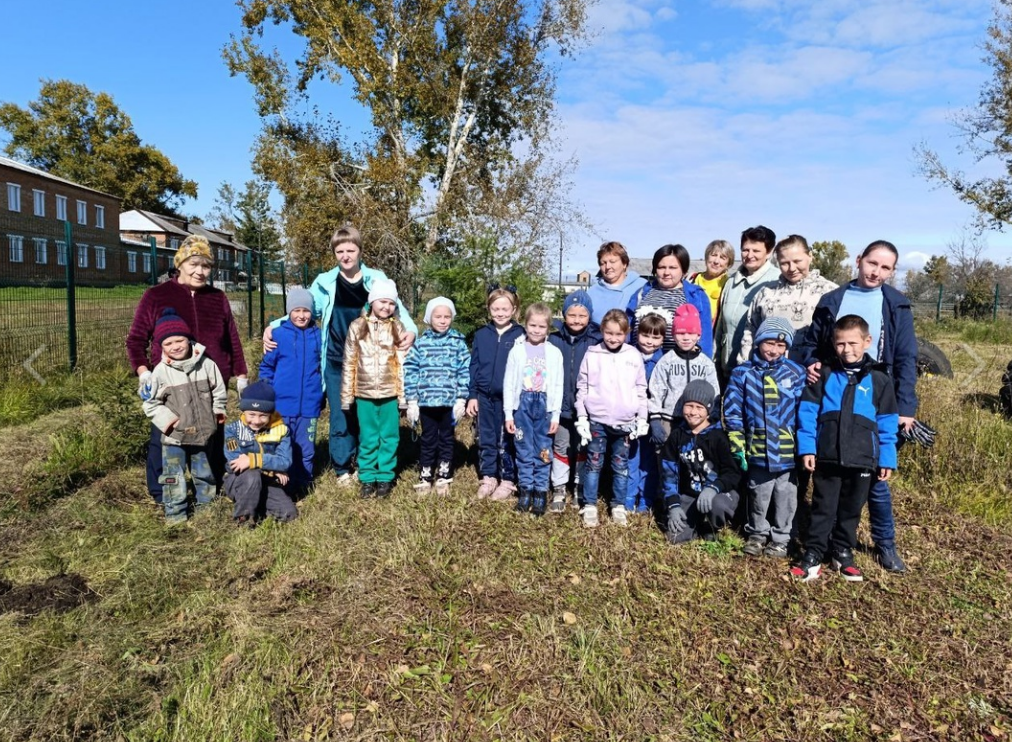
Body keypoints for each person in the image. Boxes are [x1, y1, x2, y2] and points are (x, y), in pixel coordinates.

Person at [794, 240, 916, 573]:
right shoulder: (833, 299)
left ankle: (885, 544)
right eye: (872, 263)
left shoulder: (896, 305)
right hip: (834, 391)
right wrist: (811, 363)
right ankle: (809, 539)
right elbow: (813, 343)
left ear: (892, 272)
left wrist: (905, 406)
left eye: (885, 267)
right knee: (829, 473)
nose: (876, 271)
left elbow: (906, 358)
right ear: (859, 261)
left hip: (875, 394)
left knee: (875, 478)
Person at [262, 225, 417, 486]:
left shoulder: (376, 279)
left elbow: (398, 310)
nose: (345, 256)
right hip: (337, 360)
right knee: (342, 414)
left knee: (367, 413)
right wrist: (274, 325)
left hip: (373, 362)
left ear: (359, 251)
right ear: (334, 253)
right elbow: (304, 309)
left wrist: (411, 331)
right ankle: (343, 467)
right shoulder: (325, 282)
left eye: (351, 250)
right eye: (340, 251)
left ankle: (368, 462)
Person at [127, 234, 247, 504]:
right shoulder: (156, 296)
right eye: (194, 264)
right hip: (171, 384)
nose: (200, 271)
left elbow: (232, 340)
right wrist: (144, 371)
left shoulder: (217, 298)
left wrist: (241, 375)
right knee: (166, 436)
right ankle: (163, 493)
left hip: (210, 383)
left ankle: (211, 488)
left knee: (210, 437)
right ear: (179, 264)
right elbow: (136, 340)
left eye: (206, 266)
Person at [790, 315, 898, 582]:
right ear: (833, 344)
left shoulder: (880, 379)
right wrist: (807, 449)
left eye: (853, 343)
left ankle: (843, 552)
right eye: (840, 344)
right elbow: (807, 413)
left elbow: (887, 423)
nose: (846, 350)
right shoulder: (823, 374)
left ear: (867, 341)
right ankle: (813, 554)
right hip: (827, 456)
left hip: (862, 460)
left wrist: (886, 458)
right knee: (823, 507)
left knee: (851, 509)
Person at [723, 317, 806, 559]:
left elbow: (805, 411)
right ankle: (757, 533)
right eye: (769, 343)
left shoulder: (796, 372)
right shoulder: (743, 373)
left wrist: (805, 446)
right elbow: (733, 410)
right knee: (758, 493)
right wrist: (737, 443)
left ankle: (781, 537)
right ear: (758, 342)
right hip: (757, 448)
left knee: (785, 495)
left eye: (781, 346)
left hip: (787, 451)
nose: (774, 350)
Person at [142, 308, 228, 525]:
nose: (175, 347)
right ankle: (175, 514)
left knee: (204, 473)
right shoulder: (160, 372)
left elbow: (219, 391)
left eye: (179, 340)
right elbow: (150, 404)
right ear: (161, 347)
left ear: (189, 339)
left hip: (202, 435)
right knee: (173, 477)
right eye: (168, 344)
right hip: (174, 439)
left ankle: (206, 510)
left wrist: (218, 413)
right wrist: (170, 423)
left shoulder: (207, 365)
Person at [575, 309, 648, 527]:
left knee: (620, 465)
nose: (613, 338)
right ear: (602, 332)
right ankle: (589, 504)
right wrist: (581, 416)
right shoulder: (593, 354)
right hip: (597, 420)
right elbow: (582, 387)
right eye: (609, 333)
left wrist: (642, 417)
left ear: (626, 334)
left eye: (618, 334)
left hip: (625, 423)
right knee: (594, 463)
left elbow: (640, 389)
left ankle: (617, 504)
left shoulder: (633, 356)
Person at [341, 277, 407, 498]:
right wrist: (346, 396)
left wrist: (403, 396)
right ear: (372, 302)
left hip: (389, 392)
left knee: (389, 436)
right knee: (368, 436)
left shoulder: (397, 327)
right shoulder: (358, 326)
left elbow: (402, 362)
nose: (386, 307)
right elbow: (349, 362)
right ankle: (368, 477)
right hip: (364, 393)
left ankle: (385, 477)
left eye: (391, 303)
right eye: (382, 302)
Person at [258, 288, 323, 493]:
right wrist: (267, 392)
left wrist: (322, 395)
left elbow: (323, 367)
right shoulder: (278, 335)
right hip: (282, 405)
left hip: (309, 404)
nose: (301, 315)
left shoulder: (319, 336)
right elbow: (267, 367)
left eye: (306, 311)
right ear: (289, 311)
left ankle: (303, 483)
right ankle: (279, 484)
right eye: (296, 310)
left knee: (306, 447)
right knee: (281, 444)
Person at [660, 379, 740, 544]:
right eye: (689, 406)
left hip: (718, 493)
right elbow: (668, 473)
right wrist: (673, 504)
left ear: (709, 410)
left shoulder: (719, 437)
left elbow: (732, 473)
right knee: (674, 537)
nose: (693, 412)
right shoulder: (677, 436)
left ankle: (711, 527)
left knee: (718, 505)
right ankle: (693, 525)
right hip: (690, 494)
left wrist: (714, 488)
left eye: (699, 407)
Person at [404, 297, 470, 494]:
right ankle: (425, 474)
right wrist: (412, 400)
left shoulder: (458, 343)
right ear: (429, 318)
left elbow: (465, 370)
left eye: (447, 316)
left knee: (447, 438)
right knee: (428, 438)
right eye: (438, 316)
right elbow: (410, 370)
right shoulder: (421, 344)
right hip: (426, 403)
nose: (442, 320)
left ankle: (444, 474)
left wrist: (461, 398)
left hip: (449, 403)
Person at [737, 234, 837, 363]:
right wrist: (745, 365)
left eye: (797, 261)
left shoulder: (829, 291)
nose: (791, 268)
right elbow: (750, 330)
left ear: (810, 256)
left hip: (811, 372)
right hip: (767, 372)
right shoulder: (766, 292)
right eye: (784, 263)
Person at [504, 303, 564, 516]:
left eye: (541, 326)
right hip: (522, 405)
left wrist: (555, 414)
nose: (536, 330)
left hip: (545, 406)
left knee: (543, 449)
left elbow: (558, 385)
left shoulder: (555, 353)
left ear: (548, 328)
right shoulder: (517, 351)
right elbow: (509, 383)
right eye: (532, 325)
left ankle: (540, 491)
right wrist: (509, 413)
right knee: (523, 449)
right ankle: (525, 490)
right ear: (525, 325)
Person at [467, 286, 526, 501]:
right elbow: (474, 366)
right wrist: (472, 394)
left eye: (504, 308)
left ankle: (508, 479)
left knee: (507, 438)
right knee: (486, 437)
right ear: (489, 309)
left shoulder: (521, 335)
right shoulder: (482, 335)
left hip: (510, 399)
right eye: (495, 309)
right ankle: (489, 476)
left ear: (513, 309)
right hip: (484, 397)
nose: (500, 313)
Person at [547, 290, 602, 513]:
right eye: (572, 315)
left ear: (589, 316)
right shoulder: (553, 339)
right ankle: (559, 487)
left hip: (585, 408)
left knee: (583, 447)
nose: (577, 320)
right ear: (564, 314)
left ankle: (579, 487)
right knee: (560, 446)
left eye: (582, 315)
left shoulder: (596, 340)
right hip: (559, 406)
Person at [223, 381, 299, 525]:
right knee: (252, 475)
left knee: (289, 514)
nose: (257, 421)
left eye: (263, 415)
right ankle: (244, 519)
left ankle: (258, 505)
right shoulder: (232, 430)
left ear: (271, 413)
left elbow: (285, 461)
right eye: (251, 414)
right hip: (239, 480)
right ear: (243, 411)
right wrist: (273, 468)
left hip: (267, 481)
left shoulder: (282, 430)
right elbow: (235, 462)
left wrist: (254, 461)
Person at [714, 225, 780, 382]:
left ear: (769, 252)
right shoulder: (731, 282)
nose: (749, 255)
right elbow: (720, 327)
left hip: (759, 373)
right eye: (745, 250)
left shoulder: (776, 281)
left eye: (756, 251)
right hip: (727, 368)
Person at [647, 304, 719, 439]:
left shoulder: (706, 363)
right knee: (666, 455)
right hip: (669, 419)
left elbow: (714, 390)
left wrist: (713, 415)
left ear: (698, 335)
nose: (686, 338)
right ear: (673, 335)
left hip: (698, 420)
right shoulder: (666, 361)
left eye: (691, 333)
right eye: (680, 333)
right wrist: (655, 419)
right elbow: (656, 390)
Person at [626, 244, 713, 355]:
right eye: (661, 267)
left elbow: (705, 339)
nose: (666, 272)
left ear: (683, 270)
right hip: (640, 365)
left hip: (675, 367)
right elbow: (627, 329)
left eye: (673, 268)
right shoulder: (641, 293)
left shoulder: (696, 296)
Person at [625, 310, 667, 515]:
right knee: (630, 457)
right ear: (637, 334)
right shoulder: (628, 356)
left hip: (653, 418)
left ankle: (646, 498)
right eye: (645, 335)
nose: (649, 341)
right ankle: (627, 497)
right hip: (631, 416)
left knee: (648, 460)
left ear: (662, 339)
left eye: (655, 336)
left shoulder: (664, 361)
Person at [585, 241, 648, 326]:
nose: (607, 267)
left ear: (624, 264)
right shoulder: (591, 293)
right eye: (603, 263)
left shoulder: (642, 286)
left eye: (612, 262)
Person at [688, 239, 735, 325]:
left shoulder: (729, 284)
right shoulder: (692, 279)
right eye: (713, 255)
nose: (716, 261)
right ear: (706, 257)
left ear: (728, 264)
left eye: (722, 258)